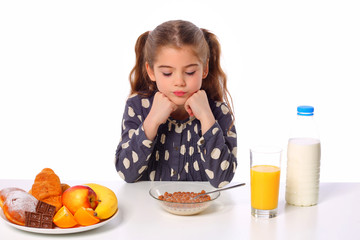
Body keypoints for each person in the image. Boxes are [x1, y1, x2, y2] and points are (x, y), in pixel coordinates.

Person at [115, 20, 237, 188]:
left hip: (203, 213)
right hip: (149, 211)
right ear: (151, 71)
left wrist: (207, 118)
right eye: (167, 73)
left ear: (205, 68)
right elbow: (126, 173)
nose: (179, 81)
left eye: (189, 72)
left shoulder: (218, 112)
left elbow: (222, 179)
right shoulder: (137, 107)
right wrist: (152, 121)